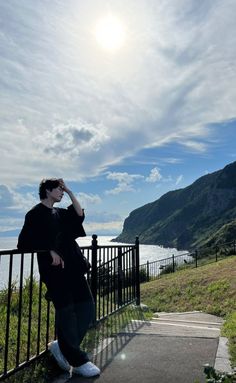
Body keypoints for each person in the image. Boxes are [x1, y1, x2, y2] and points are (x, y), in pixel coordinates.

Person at [17, 178, 100, 377]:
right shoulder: (34, 214)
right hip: (55, 271)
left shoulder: (60, 213)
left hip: (74, 267)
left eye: (63, 190)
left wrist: (70, 192)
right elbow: (24, 242)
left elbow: (79, 215)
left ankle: (61, 347)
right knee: (66, 313)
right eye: (59, 189)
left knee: (87, 308)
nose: (62, 192)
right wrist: (48, 251)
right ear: (47, 190)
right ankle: (78, 361)